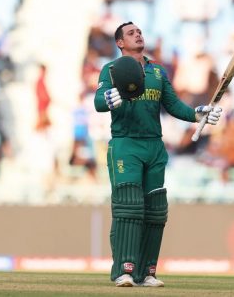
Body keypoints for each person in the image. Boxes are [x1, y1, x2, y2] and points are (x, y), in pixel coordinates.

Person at [94, 22, 222, 287]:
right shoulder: (111, 70)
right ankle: (124, 270)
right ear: (120, 43)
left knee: (154, 210)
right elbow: (98, 101)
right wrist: (109, 98)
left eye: (139, 31)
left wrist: (200, 114)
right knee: (128, 207)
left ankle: (147, 272)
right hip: (125, 144)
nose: (138, 34)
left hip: (154, 145)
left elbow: (174, 105)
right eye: (131, 33)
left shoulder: (157, 72)